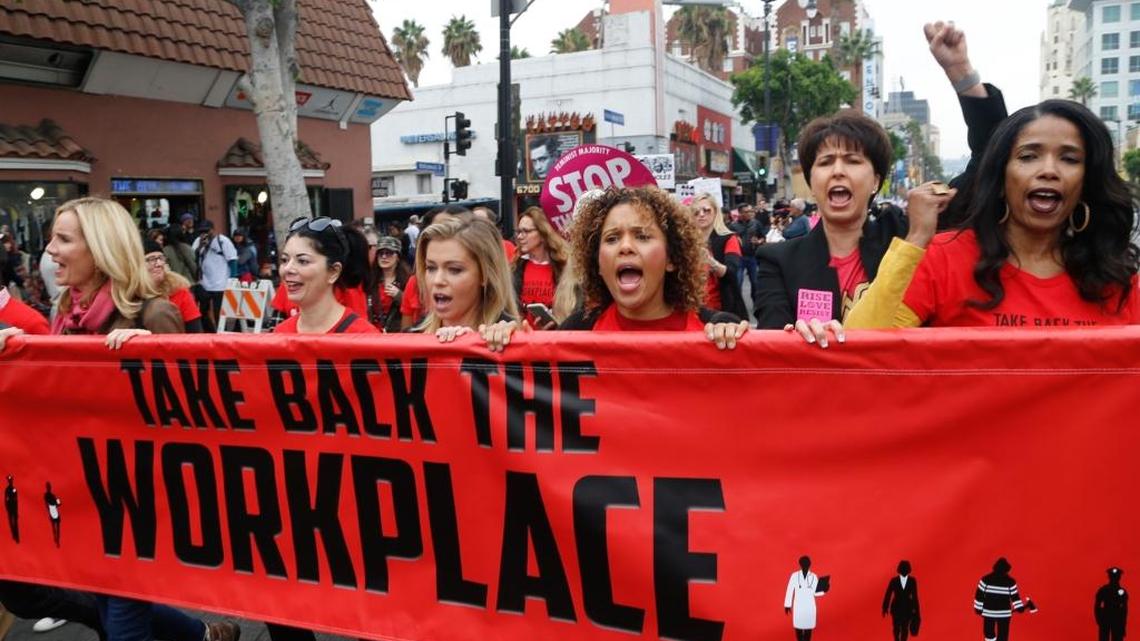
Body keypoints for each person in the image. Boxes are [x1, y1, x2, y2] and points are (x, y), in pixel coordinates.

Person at [0, 197, 239, 641]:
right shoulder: (62, 315)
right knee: (106, 610)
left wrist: (151, 357)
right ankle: (206, 636)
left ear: (101, 249)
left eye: (64, 239)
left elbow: (191, 414)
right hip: (82, 496)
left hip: (134, 504)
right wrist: (17, 359)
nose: (49, 249)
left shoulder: (151, 313)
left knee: (123, 627)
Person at [846, 99, 1140, 330]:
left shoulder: (1118, 279)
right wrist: (917, 237)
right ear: (1000, 179)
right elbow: (860, 347)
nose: (1049, 170)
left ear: (1086, 181)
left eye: (1069, 159)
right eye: (1028, 156)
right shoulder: (943, 259)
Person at [557, 186, 749, 349]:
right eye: (612, 238)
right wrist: (529, 347)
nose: (625, 247)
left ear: (671, 258)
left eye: (642, 236)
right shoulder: (574, 332)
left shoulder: (716, 329)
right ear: (597, 263)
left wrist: (736, 341)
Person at [275, 217, 377, 334]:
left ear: (334, 271)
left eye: (303, 261)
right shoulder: (281, 333)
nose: (288, 269)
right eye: (284, 260)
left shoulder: (363, 336)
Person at [692, 193, 748, 319]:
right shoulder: (688, 240)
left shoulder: (729, 238)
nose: (701, 214)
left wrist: (711, 262)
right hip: (693, 309)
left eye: (706, 210)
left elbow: (732, 272)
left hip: (722, 309)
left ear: (715, 212)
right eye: (696, 212)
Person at [513, 206, 570, 328]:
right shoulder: (516, 267)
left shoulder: (563, 266)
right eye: (518, 231)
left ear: (543, 233)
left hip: (555, 338)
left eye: (526, 231)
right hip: (524, 339)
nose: (520, 237)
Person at [144, 239, 203, 333]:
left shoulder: (179, 291)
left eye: (161, 258)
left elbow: (196, 333)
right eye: (151, 259)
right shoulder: (129, 296)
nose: (159, 264)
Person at [191, 220, 237, 331]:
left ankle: (222, 331)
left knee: (219, 312)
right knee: (203, 311)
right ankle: (208, 331)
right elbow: (193, 258)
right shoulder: (198, 241)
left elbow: (232, 259)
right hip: (204, 283)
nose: (204, 234)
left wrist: (232, 279)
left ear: (212, 230)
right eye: (201, 231)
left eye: (206, 231)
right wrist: (201, 247)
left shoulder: (223, 241)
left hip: (220, 283)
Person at [974, 558, 1027, 641]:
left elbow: (979, 595)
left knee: (989, 633)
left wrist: (978, 608)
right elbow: (1015, 597)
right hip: (1004, 613)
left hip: (989, 612)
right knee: (1003, 635)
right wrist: (1019, 608)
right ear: (1007, 569)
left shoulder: (985, 579)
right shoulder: (1011, 581)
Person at [369, 236, 410, 333]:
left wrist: (400, 296)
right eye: (381, 253)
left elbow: (416, 309)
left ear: (398, 257)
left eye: (389, 253)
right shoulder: (371, 279)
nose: (384, 257)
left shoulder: (407, 281)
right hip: (372, 334)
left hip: (397, 336)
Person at [784, 555, 827, 641]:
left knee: (808, 631)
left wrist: (824, 589)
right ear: (800, 564)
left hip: (809, 607)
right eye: (804, 563)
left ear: (810, 564)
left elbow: (816, 593)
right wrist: (787, 605)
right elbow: (790, 590)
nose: (806, 565)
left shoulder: (813, 576)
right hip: (798, 607)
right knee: (798, 631)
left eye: (807, 563)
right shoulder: (795, 576)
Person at [882, 560, 920, 641]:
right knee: (896, 627)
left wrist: (917, 611)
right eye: (903, 568)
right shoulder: (894, 580)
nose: (904, 570)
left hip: (907, 608)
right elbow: (888, 594)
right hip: (896, 608)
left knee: (905, 628)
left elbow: (915, 596)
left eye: (905, 568)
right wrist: (885, 607)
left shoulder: (912, 581)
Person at [1095, 567, 1128, 641]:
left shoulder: (1121, 592)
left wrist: (1123, 624)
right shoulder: (1104, 590)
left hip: (1117, 618)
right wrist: (1099, 619)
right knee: (1104, 638)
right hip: (1106, 618)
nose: (1115, 578)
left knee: (1116, 638)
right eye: (1113, 576)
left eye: (1116, 576)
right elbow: (1097, 606)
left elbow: (1124, 609)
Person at [42, 482, 60, 548]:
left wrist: (57, 502)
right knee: (54, 525)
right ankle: (56, 537)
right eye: (48, 486)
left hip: (54, 510)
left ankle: (57, 538)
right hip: (52, 510)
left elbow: (57, 504)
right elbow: (47, 504)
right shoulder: (47, 495)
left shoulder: (52, 495)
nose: (49, 488)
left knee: (57, 525)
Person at [4, 475, 16, 544]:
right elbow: (6, 498)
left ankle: (13, 532)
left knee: (12, 520)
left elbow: (15, 498)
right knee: (11, 520)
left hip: (12, 506)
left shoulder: (12, 489)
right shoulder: (8, 489)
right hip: (10, 506)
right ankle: (13, 532)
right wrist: (6, 506)